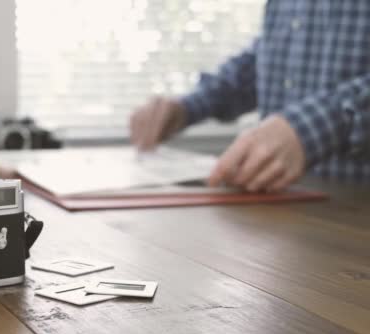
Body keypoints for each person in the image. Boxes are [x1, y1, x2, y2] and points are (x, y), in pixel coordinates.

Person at [130, 1, 370, 192]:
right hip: (283, 211)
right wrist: (187, 107)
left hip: (356, 220)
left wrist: (314, 127)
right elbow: (271, 55)